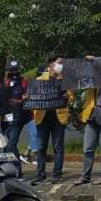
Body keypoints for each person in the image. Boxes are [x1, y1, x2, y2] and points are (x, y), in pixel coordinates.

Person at [29, 55, 71, 184]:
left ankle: (56, 174)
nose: (61, 65)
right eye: (59, 63)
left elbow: (71, 97)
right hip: (43, 116)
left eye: (62, 63)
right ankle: (40, 173)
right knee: (41, 147)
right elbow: (32, 95)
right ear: (51, 64)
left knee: (58, 147)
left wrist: (67, 96)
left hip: (59, 116)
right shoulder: (39, 79)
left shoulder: (65, 80)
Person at [76, 57, 101, 186]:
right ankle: (85, 176)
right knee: (87, 148)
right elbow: (79, 75)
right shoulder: (92, 77)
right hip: (91, 114)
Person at [0, 60, 28, 172]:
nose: (14, 72)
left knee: (11, 144)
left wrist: (25, 97)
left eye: (15, 69)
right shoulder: (4, 83)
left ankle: (17, 171)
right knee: (5, 145)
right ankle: (9, 169)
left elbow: (28, 94)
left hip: (18, 117)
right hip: (5, 117)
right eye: (11, 70)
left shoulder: (24, 81)